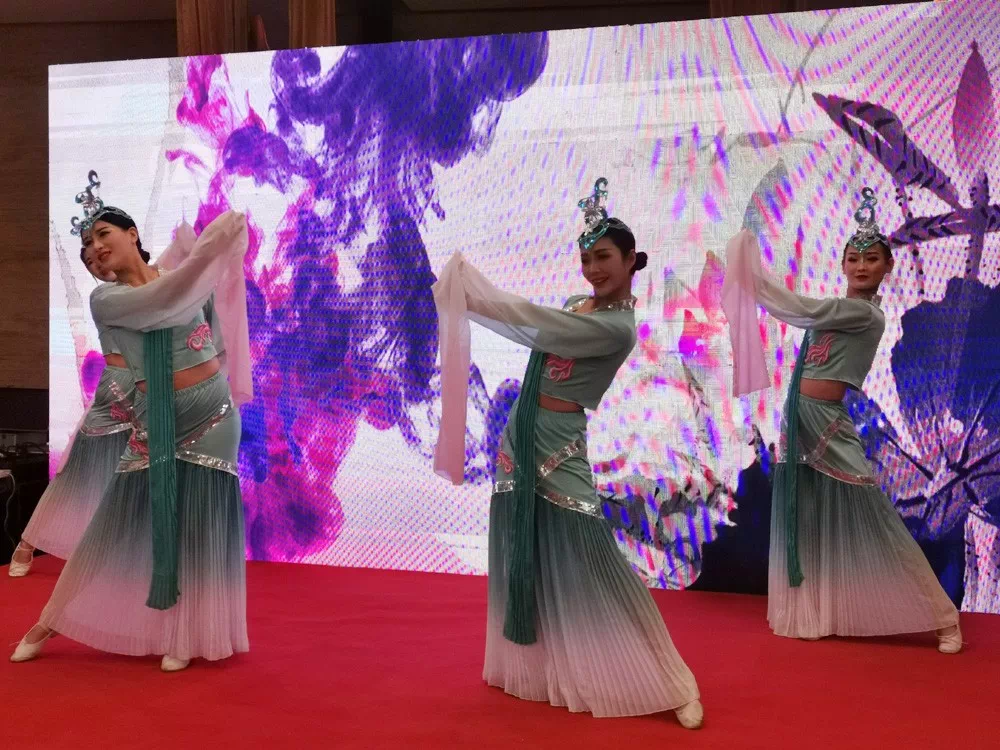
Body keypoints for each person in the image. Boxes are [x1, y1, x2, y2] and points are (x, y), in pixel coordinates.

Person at [433, 179, 703, 728]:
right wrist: (471, 297)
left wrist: (475, 296)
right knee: (523, 547)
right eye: (586, 258)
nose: (593, 269)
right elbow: (545, 325)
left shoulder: (616, 328)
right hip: (521, 432)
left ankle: (673, 681)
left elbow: (541, 327)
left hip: (559, 443)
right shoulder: (577, 304)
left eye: (603, 257)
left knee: (596, 559)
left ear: (630, 259)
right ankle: (542, 670)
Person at [10, 173, 252, 672]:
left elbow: (215, 334)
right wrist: (210, 252)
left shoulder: (183, 280)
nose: (95, 248)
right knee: (112, 527)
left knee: (202, 530)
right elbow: (168, 302)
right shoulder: (109, 300)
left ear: (133, 234)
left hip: (213, 416)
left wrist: (218, 258)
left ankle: (187, 635)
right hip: (153, 422)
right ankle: (50, 620)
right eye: (87, 244)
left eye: (103, 234)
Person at [721, 187, 962, 652]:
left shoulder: (863, 314)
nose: (861, 266)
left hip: (828, 424)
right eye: (854, 258)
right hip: (799, 417)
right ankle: (816, 610)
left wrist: (753, 274)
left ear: (888, 266)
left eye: (871, 259)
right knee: (806, 518)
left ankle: (943, 617)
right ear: (844, 264)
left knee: (874, 518)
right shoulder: (839, 309)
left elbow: (799, 309)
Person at [10, 210, 196, 577]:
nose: (96, 261)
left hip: (156, 389)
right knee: (76, 476)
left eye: (100, 247)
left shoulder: (160, 280)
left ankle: (141, 557)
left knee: (149, 477)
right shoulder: (106, 296)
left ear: (131, 236)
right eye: (89, 262)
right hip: (116, 392)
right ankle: (28, 542)